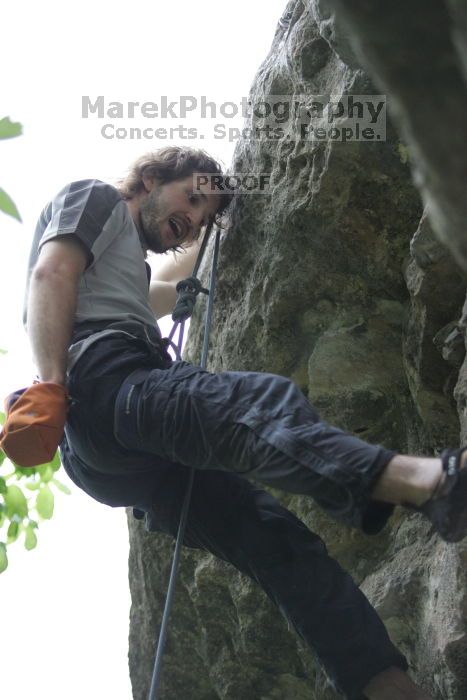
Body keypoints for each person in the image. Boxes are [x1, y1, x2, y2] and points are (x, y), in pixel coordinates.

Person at [2, 146, 466, 700]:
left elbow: (174, 288)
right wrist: (51, 384)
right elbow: (52, 271)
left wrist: (216, 225)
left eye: (200, 220)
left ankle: (389, 688)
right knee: (253, 402)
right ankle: (430, 484)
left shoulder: (126, 268)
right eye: (190, 198)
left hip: (121, 456)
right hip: (106, 382)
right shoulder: (94, 197)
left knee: (279, 544)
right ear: (150, 178)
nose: (191, 221)